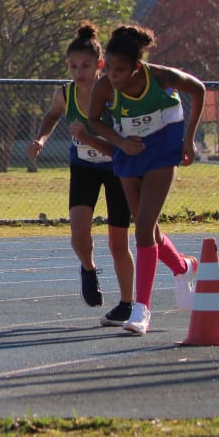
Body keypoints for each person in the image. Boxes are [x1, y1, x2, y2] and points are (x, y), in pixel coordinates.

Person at [86, 24, 204, 336]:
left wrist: (189, 140)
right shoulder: (105, 87)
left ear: (137, 66)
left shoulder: (162, 77)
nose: (112, 74)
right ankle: (183, 267)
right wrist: (119, 142)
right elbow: (93, 120)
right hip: (130, 152)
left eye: (120, 69)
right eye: (108, 67)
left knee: (142, 227)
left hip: (163, 151)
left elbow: (199, 90)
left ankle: (141, 310)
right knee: (145, 226)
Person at [27, 22, 136, 325]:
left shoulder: (115, 93)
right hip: (84, 167)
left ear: (100, 65)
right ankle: (88, 268)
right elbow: (51, 116)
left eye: (86, 65)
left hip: (117, 168)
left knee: (118, 242)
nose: (79, 71)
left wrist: (104, 141)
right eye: (73, 66)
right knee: (78, 232)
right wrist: (41, 139)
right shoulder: (65, 94)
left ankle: (127, 303)